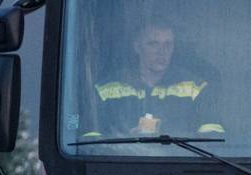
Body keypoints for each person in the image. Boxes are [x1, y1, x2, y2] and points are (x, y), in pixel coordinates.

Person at [91, 18, 224, 137]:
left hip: (179, 163)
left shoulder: (196, 88)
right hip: (119, 163)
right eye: (153, 44)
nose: (162, 51)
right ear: (137, 47)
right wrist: (126, 141)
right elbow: (87, 140)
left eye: (168, 44)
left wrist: (165, 136)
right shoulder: (105, 90)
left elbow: (212, 139)